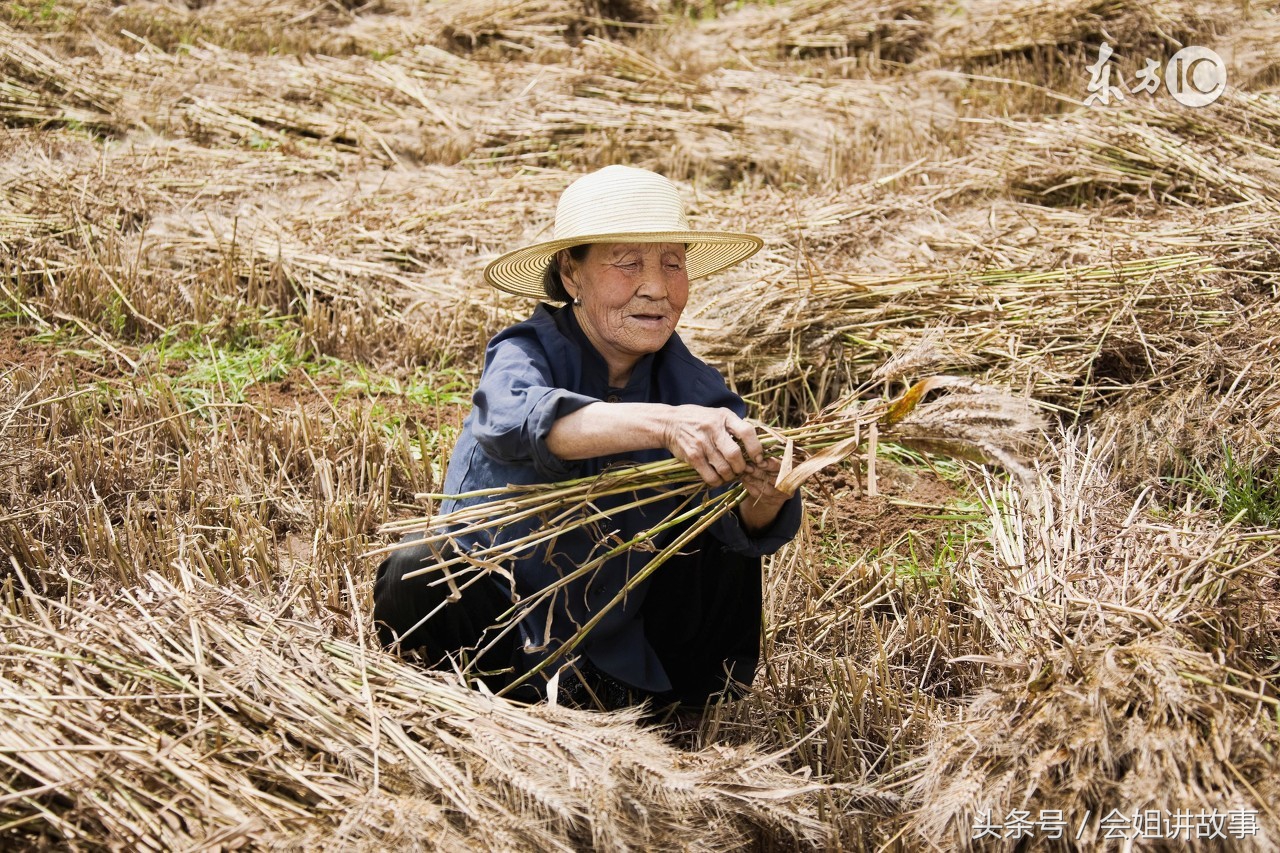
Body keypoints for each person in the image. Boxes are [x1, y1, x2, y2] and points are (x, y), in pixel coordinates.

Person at [373, 165, 802, 712]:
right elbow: (516, 419)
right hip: (498, 637)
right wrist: (665, 425)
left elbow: (744, 530)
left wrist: (763, 498)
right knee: (418, 568)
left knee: (721, 518)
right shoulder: (526, 353)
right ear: (571, 275)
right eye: (627, 263)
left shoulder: (696, 390)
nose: (656, 288)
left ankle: (677, 709)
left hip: (628, 658)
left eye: (673, 264)